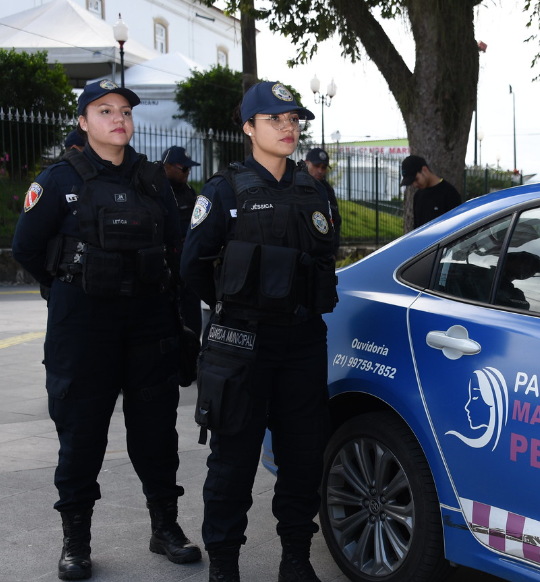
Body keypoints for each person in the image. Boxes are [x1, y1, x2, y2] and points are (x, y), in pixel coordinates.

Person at [11, 79, 201, 580]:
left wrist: (184, 327)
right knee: (81, 438)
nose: (118, 118)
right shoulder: (57, 180)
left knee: (157, 435)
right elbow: (26, 249)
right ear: (83, 121)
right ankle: (76, 542)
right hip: (84, 329)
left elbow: (177, 254)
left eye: (124, 111)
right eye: (104, 110)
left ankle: (165, 529)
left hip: (148, 326)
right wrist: (67, 286)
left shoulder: (155, 181)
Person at [180, 81, 338, 582]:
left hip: (302, 340)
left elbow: (324, 258)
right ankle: (224, 565)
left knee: (302, 454)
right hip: (241, 344)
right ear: (248, 128)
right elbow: (193, 268)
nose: (288, 126)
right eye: (274, 119)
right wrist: (237, 306)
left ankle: (295, 558)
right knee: (234, 458)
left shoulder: (316, 190)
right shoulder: (223, 190)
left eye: (293, 118)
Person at [162, 145, 204, 337]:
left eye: (190, 169)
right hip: (168, 260)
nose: (188, 173)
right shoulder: (158, 191)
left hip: (189, 258)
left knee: (192, 306)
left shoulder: (188, 190)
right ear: (168, 166)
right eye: (184, 168)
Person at [401, 154, 462, 228]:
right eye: (412, 182)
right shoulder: (418, 196)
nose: (415, 184)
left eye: (416, 179)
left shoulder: (449, 194)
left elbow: (457, 227)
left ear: (424, 170)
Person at [303, 147, 341, 253]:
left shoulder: (327, 190)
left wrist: (333, 251)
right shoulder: (295, 186)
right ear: (306, 163)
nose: (320, 171)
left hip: (323, 251)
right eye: (316, 166)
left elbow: (335, 221)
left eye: (323, 167)